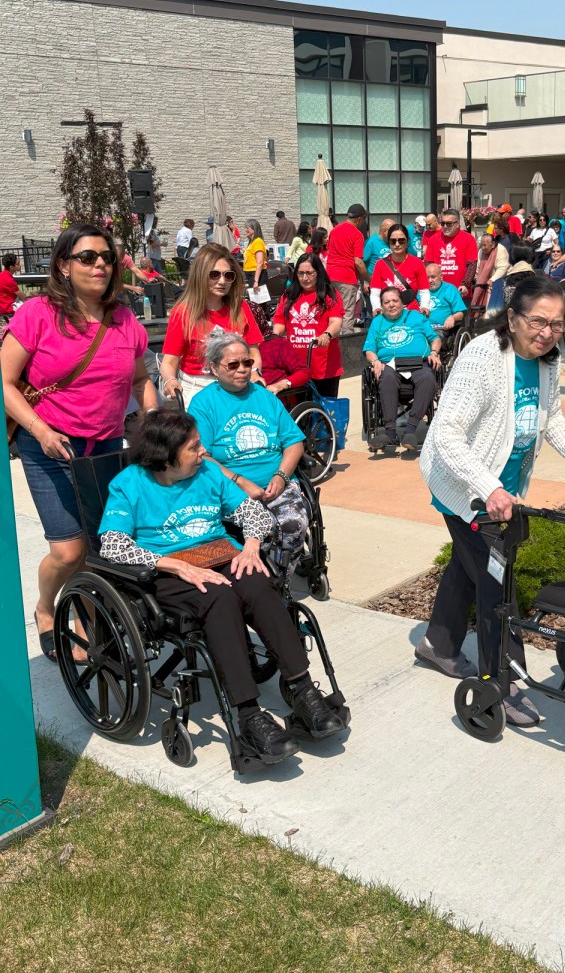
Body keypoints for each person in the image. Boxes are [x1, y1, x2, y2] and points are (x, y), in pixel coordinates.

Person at [417, 275, 565, 726]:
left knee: (467, 569)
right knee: (495, 583)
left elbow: (552, 416)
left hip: (501, 486)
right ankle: (502, 683)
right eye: (538, 321)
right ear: (512, 318)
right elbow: (447, 434)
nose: (547, 333)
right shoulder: (481, 359)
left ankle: (438, 644)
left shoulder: (547, 361)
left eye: (558, 324)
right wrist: (487, 488)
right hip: (464, 487)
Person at [98, 410, 343, 762]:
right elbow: (112, 544)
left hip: (221, 553)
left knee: (260, 586)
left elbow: (253, 513)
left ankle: (302, 690)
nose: (203, 452)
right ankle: (248, 715)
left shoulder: (208, 471)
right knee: (221, 598)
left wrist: (252, 545)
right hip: (170, 572)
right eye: (194, 447)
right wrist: (175, 565)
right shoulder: (129, 484)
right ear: (166, 457)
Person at [1, 222, 157, 663]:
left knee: (99, 546)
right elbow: (6, 382)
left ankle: (86, 620)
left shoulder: (125, 319)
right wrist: (40, 431)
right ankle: (46, 609)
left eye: (107, 257)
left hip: (105, 449)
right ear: (64, 266)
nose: (100, 265)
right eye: (87, 257)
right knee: (69, 550)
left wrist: (150, 422)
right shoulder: (38, 314)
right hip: (49, 446)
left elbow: (143, 379)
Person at [188, 331, 309, 564]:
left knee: (293, 526)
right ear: (214, 368)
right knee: (256, 534)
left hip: (277, 483)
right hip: (230, 487)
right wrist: (240, 482)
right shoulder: (203, 403)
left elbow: (294, 442)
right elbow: (201, 456)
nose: (242, 369)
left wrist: (282, 476)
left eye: (247, 362)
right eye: (233, 364)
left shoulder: (265, 396)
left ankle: (280, 585)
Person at [160, 243, 264, 406]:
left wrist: (255, 372)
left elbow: (254, 354)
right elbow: (169, 362)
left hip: (238, 387)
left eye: (228, 275)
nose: (222, 281)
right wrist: (170, 380)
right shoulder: (183, 312)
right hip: (198, 389)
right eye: (214, 275)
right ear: (201, 275)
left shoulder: (241, 308)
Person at [363, 286, 441, 451]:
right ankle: (390, 432)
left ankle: (410, 430)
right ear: (382, 306)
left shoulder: (416, 317)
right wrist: (375, 360)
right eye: (386, 302)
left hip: (418, 362)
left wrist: (434, 352)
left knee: (428, 378)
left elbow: (435, 339)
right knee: (387, 377)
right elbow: (369, 349)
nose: (391, 305)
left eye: (395, 300)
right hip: (390, 364)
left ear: (402, 303)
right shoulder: (378, 321)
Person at [272, 252, 343, 396]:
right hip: (295, 365)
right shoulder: (289, 295)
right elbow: (279, 320)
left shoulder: (330, 294)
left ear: (318, 272)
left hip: (324, 366)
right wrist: (275, 336)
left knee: (325, 410)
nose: (305, 278)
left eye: (310, 273)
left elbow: (336, 321)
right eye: (301, 273)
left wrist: (326, 335)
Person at [325, 203, 368, 335]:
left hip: (330, 276)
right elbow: (358, 262)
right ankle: (346, 351)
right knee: (347, 314)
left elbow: (330, 251)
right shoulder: (357, 234)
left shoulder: (334, 230)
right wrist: (368, 279)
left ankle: (331, 343)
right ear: (360, 219)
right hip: (346, 278)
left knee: (331, 312)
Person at [369, 223, 430, 316]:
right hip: (388, 314)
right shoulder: (380, 264)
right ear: (388, 243)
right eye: (393, 241)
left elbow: (424, 291)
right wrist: (376, 307)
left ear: (407, 242)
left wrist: (425, 306)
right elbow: (375, 292)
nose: (397, 244)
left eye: (401, 241)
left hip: (411, 313)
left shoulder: (417, 263)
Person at [423, 208, 478, 302]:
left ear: (457, 224)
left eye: (449, 224)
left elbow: (471, 265)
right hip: (437, 293)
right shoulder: (433, 240)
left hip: (460, 293)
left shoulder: (468, 239)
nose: (445, 226)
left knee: (460, 317)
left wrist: (465, 284)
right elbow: (428, 264)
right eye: (443, 223)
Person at [474, 233, 510, 314]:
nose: (482, 248)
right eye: (481, 245)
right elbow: (478, 267)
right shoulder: (480, 251)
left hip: (498, 283)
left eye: (485, 245)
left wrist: (492, 279)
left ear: (493, 244)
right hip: (484, 283)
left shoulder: (501, 250)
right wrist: (477, 278)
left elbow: (502, 268)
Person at [425, 263, 467, 332]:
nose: (430, 281)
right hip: (422, 328)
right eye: (427, 277)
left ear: (441, 276)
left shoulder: (450, 289)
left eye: (433, 277)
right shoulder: (421, 291)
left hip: (440, 328)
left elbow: (461, 314)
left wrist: (452, 317)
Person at [242, 219, 267, 290]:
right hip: (251, 273)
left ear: (254, 229)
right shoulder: (252, 242)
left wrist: (256, 281)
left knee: (258, 300)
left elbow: (260, 262)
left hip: (256, 274)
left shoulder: (257, 242)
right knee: (253, 300)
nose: (245, 230)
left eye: (247, 228)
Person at [0, 252, 22, 333]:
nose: (20, 265)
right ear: (12, 267)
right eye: (18, 264)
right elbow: (23, 297)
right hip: (8, 308)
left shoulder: (2, 275)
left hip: (3, 307)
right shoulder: (9, 280)